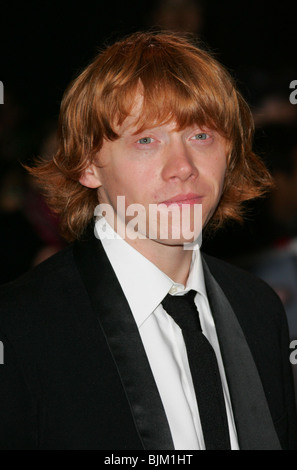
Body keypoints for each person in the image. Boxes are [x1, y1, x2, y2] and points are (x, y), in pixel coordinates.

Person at [0, 31, 296, 451]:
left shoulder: (259, 310)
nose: (183, 167)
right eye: (146, 140)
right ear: (88, 165)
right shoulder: (20, 330)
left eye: (201, 136)